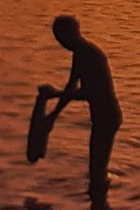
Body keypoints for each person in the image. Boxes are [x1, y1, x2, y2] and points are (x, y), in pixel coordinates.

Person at [46, 16, 122, 194]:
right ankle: (97, 208)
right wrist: (53, 115)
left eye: (60, 38)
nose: (60, 43)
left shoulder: (88, 54)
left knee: (97, 169)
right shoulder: (80, 53)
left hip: (108, 117)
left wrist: (55, 96)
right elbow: (71, 87)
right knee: (95, 167)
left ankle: (99, 208)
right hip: (102, 117)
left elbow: (87, 92)